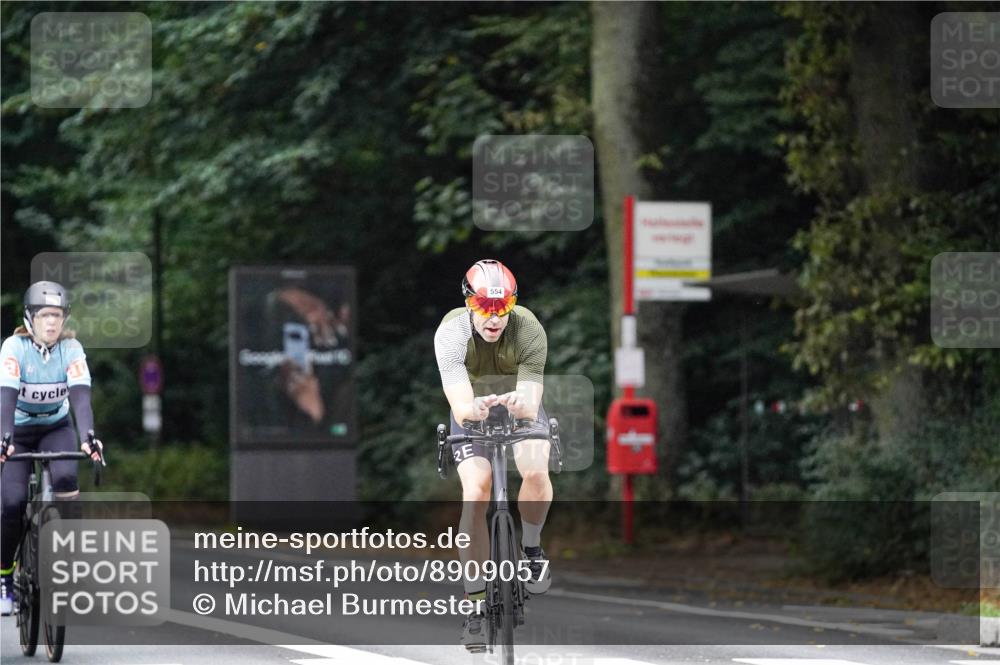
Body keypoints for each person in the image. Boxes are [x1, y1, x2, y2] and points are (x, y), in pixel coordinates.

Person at [433, 259, 552, 651]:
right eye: (485, 307)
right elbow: (459, 400)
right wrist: (474, 409)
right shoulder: (451, 333)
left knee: (535, 471)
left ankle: (531, 548)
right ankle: (475, 601)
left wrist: (522, 402)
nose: (495, 317)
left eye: (504, 307)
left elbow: (532, 398)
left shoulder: (528, 327)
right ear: (469, 303)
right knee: (477, 489)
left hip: (517, 404)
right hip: (472, 407)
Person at [0, 281, 104, 616]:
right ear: (30, 318)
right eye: (45, 315)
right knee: (13, 502)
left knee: (65, 481)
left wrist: (89, 435)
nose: (51, 323)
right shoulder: (14, 347)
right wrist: (4, 438)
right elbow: (6, 396)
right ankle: (4, 577)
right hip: (17, 430)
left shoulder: (71, 348)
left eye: (57, 316)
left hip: (56, 428)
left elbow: (81, 396)